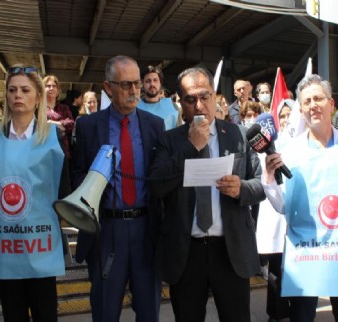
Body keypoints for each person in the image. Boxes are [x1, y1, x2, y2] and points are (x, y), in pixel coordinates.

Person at [263, 74, 338, 322]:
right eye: (306, 101)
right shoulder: (290, 151)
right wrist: (269, 178)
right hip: (305, 255)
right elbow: (284, 205)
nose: (312, 105)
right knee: (301, 317)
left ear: (331, 104)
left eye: (318, 98)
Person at [149, 66, 265, 322]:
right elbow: (156, 186)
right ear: (180, 102)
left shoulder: (238, 136)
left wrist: (241, 189)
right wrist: (191, 147)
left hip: (230, 250)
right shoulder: (169, 141)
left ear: (214, 96)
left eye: (205, 97)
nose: (199, 106)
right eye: (191, 99)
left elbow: (261, 185)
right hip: (186, 252)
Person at [72, 55, 165, 322]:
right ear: (108, 87)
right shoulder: (88, 127)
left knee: (149, 311)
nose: (135, 90)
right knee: (104, 310)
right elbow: (76, 174)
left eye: (136, 83)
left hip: (146, 230)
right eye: (126, 85)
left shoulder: (154, 126)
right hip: (106, 231)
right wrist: (93, 181)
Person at [0, 65, 70, 322]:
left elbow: (64, 190)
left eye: (25, 90)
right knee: (13, 315)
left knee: (45, 314)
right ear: (6, 95)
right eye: (12, 90)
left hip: (40, 246)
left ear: (38, 96)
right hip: (6, 247)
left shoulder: (53, 136)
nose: (18, 95)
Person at [256, 99, 294, 322]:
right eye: (282, 116)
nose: (286, 119)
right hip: (275, 215)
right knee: (276, 269)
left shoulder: (304, 143)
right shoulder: (265, 147)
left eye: (290, 114)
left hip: (298, 218)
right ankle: (277, 313)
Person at [137, 65, 179, 130]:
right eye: (148, 81)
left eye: (155, 80)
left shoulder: (173, 106)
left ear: (160, 83)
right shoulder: (134, 107)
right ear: (142, 84)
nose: (152, 84)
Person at [43, 75, 74, 159]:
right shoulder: (38, 108)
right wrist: (62, 126)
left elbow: (71, 123)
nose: (51, 88)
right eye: (48, 86)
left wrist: (53, 123)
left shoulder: (64, 108)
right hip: (43, 151)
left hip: (62, 150)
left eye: (54, 86)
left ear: (57, 91)